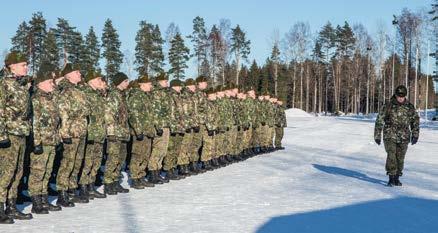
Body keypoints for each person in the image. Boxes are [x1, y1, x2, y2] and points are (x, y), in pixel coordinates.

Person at [0, 51, 33, 223]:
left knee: (18, 172)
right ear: (11, 66)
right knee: (6, 173)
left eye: (26, 64)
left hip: (21, 133)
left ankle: (11, 207)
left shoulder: (20, 85)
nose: (26, 67)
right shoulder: (3, 84)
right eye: (23, 64)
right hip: (9, 135)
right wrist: (1, 135)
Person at [29, 64, 63, 214]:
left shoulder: (50, 99)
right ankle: (36, 202)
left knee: (47, 171)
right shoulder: (36, 99)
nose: (52, 84)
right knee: (38, 172)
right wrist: (36, 142)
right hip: (41, 141)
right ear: (41, 83)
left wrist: (58, 138)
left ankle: (44, 199)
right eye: (50, 82)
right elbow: (34, 122)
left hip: (52, 140)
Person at [56, 63, 90, 206]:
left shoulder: (78, 90)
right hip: (70, 133)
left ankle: (71, 190)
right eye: (76, 72)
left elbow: (86, 110)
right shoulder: (65, 91)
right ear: (68, 75)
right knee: (67, 164)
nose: (80, 75)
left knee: (76, 163)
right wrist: (65, 133)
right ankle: (62, 193)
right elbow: (63, 113)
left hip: (80, 131)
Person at [374, 85, 420, 187]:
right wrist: (377, 135)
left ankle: (397, 177)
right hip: (389, 135)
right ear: (395, 94)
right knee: (391, 156)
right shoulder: (388, 105)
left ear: (405, 95)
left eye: (402, 95)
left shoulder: (409, 107)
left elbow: (415, 121)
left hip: (404, 136)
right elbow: (379, 120)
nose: (400, 97)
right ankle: (391, 177)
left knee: (400, 158)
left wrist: (415, 134)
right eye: (399, 95)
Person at [78, 70, 107, 199]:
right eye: (97, 79)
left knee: (96, 161)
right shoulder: (86, 94)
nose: (100, 81)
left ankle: (91, 185)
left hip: (99, 132)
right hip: (90, 133)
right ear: (90, 81)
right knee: (88, 161)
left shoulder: (97, 95)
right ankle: (84, 186)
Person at [103, 72, 130, 195]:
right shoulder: (113, 95)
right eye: (125, 81)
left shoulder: (121, 95)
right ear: (119, 82)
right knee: (113, 158)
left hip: (123, 132)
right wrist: (111, 132)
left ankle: (115, 181)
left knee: (121, 158)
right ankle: (108, 183)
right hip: (115, 133)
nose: (127, 83)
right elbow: (109, 114)